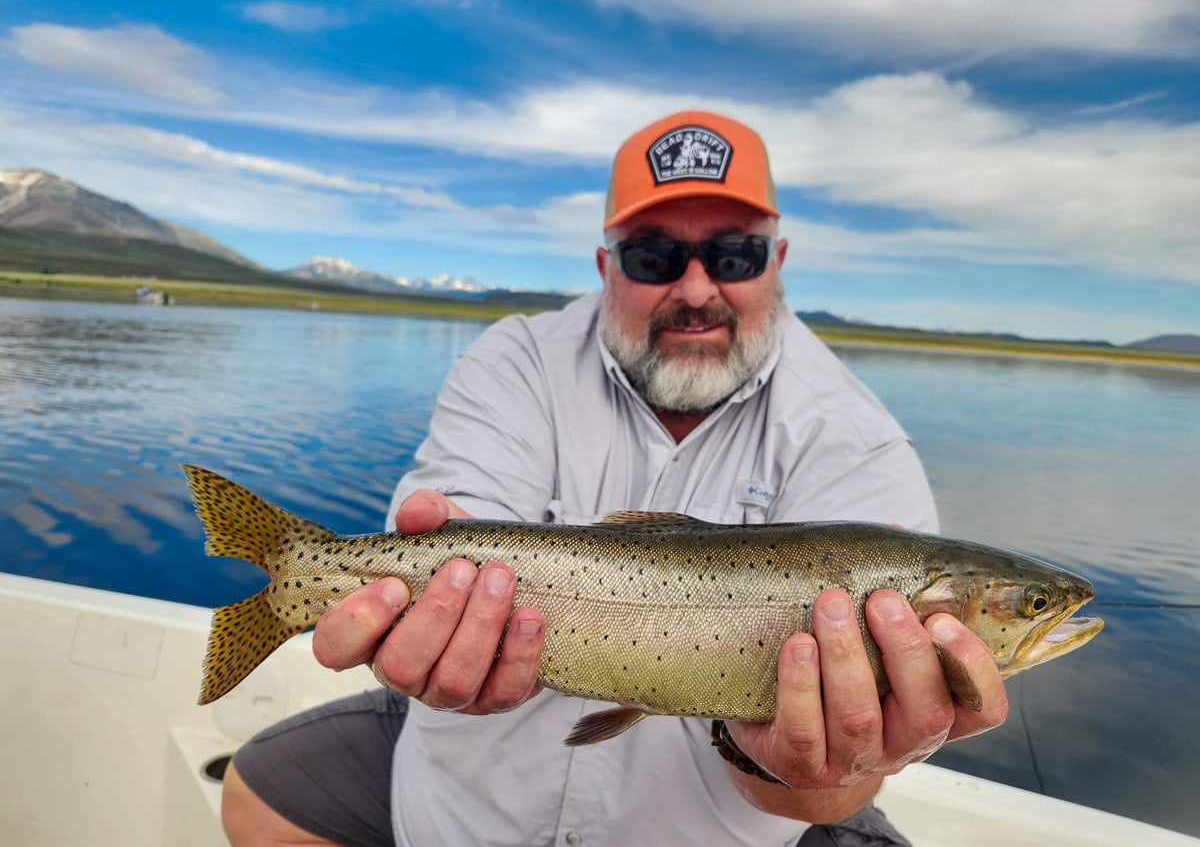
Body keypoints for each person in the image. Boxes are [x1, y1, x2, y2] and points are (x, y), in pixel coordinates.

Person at [220, 110, 1009, 846]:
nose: (696, 289)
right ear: (605, 266)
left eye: (734, 255)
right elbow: (460, 519)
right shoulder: (519, 359)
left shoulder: (859, 441)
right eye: (654, 256)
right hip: (463, 810)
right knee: (256, 791)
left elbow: (831, 798)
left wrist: (814, 764)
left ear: (778, 263)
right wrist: (430, 608)